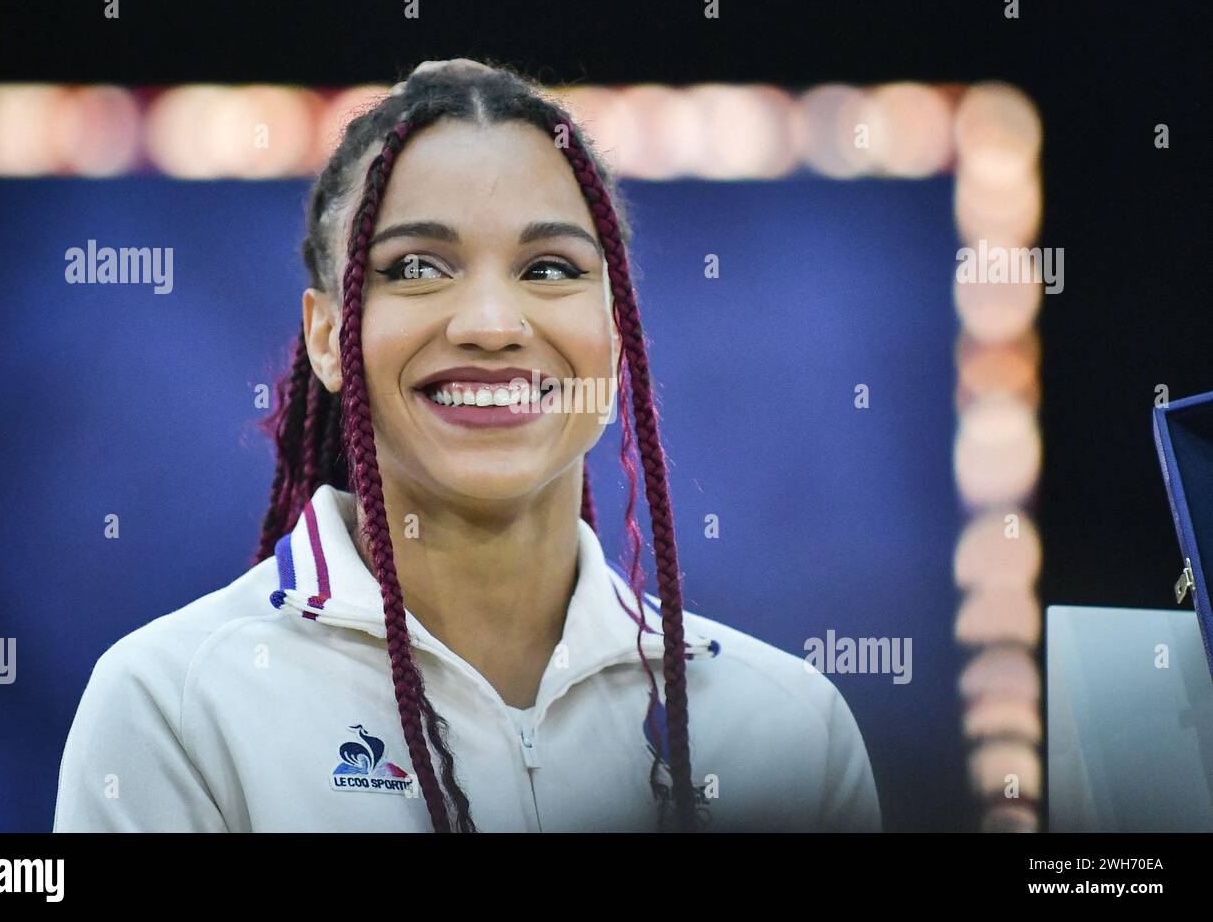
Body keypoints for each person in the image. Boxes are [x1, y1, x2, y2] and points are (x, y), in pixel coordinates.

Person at [54, 58, 881, 832]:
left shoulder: (789, 727)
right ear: (328, 337)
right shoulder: (172, 705)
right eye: (416, 266)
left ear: (618, 328)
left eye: (551, 269)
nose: (491, 325)